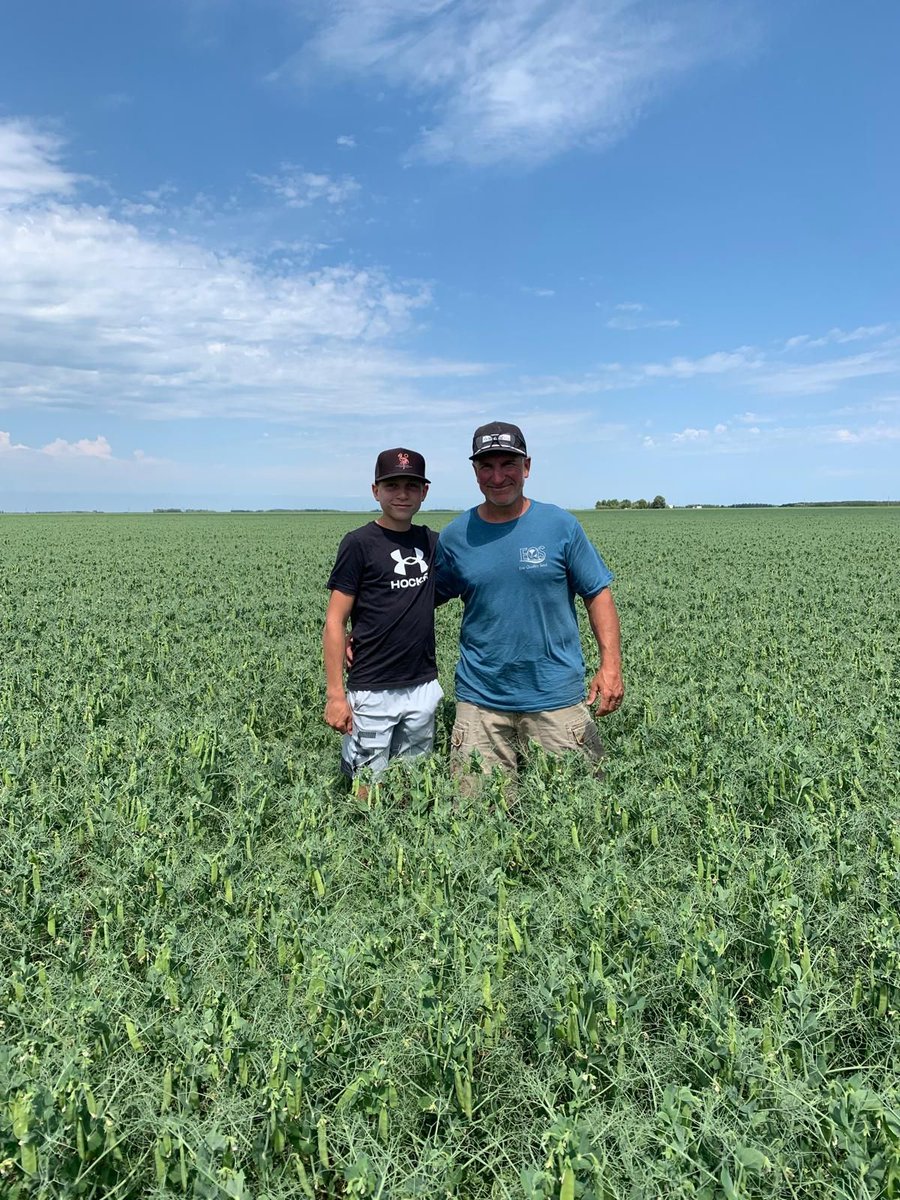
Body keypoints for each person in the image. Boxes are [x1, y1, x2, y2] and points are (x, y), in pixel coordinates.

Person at [435, 421, 624, 784]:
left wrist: (611, 666)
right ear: (475, 472)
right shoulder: (456, 536)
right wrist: (364, 630)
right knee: (478, 812)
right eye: (486, 466)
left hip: (555, 696)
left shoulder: (560, 526)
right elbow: (418, 598)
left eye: (508, 464)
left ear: (527, 467)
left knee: (576, 805)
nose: (498, 476)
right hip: (480, 702)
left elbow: (597, 593)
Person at [323, 448, 442, 784]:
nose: (402, 494)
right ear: (376, 490)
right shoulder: (358, 543)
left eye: (411, 486)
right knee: (367, 783)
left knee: (412, 782)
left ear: (424, 492)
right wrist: (335, 694)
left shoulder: (432, 542)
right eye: (391, 486)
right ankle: (362, 821)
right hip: (373, 688)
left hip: (422, 684)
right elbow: (335, 620)